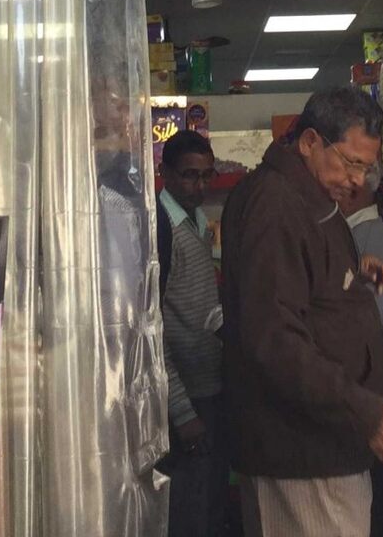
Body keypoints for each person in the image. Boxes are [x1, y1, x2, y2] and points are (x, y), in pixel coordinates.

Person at [222, 87, 383, 537]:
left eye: (366, 169)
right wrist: (366, 413)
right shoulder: (277, 203)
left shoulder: (305, 197)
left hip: (324, 451)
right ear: (310, 141)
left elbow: (301, 285)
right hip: (301, 456)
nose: (357, 180)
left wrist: (348, 274)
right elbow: (274, 338)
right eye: (350, 163)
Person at [156, 130, 227, 537]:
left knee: (209, 504)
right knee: (188, 514)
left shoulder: (197, 222)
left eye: (206, 175)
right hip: (182, 402)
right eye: (189, 175)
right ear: (164, 173)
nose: (200, 186)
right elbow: (152, 330)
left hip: (209, 390)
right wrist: (182, 412)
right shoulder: (162, 230)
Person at [340, 172, 383, 537]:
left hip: (375, 392)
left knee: (374, 514)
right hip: (366, 391)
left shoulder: (372, 236)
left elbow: (363, 324)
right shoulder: (353, 232)